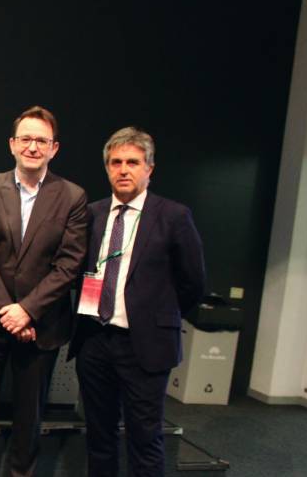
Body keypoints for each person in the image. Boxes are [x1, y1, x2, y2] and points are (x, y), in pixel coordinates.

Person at [0, 106, 87, 477]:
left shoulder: (73, 197)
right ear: (12, 144)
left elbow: (69, 265)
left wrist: (27, 311)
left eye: (41, 141)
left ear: (54, 148)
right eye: (26, 139)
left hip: (41, 325)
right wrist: (7, 312)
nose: (33, 147)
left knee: (29, 418)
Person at [69, 127, 205, 476]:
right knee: (99, 438)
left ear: (149, 168)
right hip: (95, 342)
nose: (123, 169)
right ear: (107, 168)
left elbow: (193, 283)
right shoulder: (93, 214)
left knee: (145, 441)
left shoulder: (173, 216)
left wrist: (156, 319)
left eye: (133, 162)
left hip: (144, 346)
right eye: (116, 162)